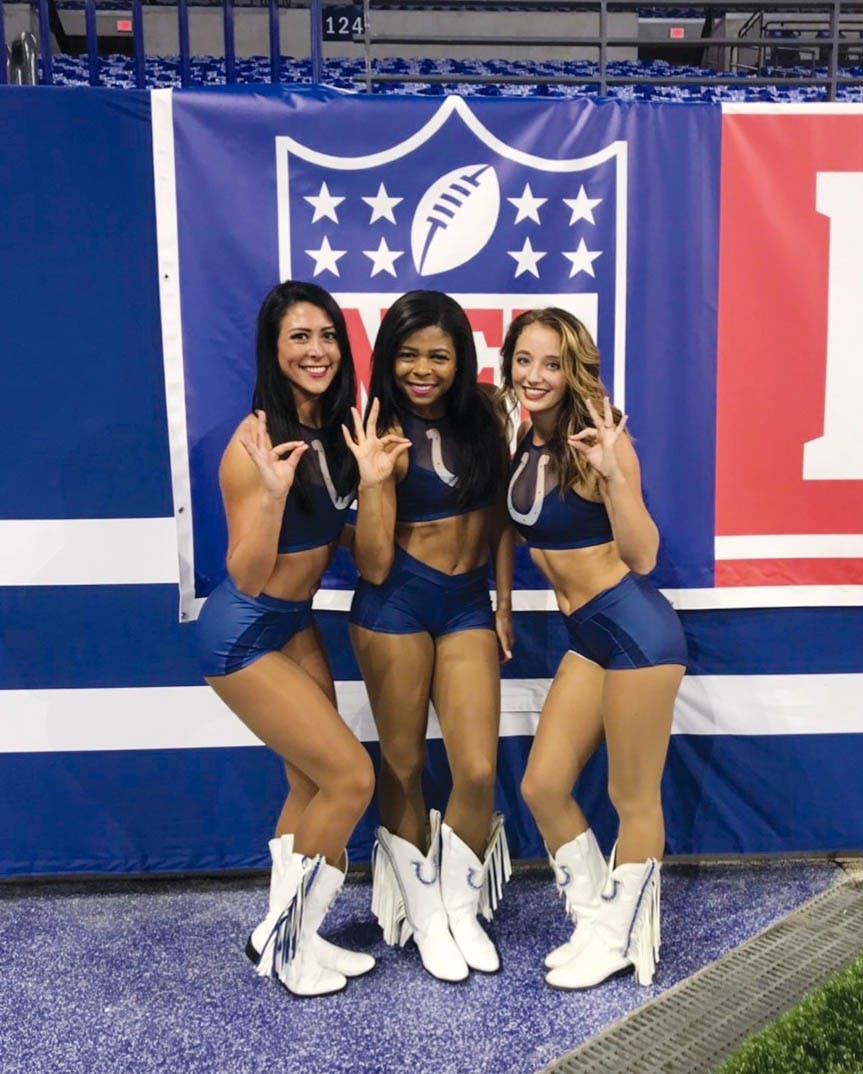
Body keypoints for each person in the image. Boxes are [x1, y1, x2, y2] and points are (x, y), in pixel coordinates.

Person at [195, 280, 377, 998]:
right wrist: (269, 496)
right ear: (274, 350)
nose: (317, 349)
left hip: (294, 625)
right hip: (242, 636)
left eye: (327, 335)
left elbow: (354, 543)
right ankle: (285, 940)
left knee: (309, 783)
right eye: (300, 337)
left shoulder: (336, 433)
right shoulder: (253, 444)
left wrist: (382, 487)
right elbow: (243, 570)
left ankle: (289, 929)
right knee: (350, 779)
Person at [499, 308, 687, 991]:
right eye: (524, 360)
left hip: (635, 632)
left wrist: (611, 475)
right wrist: (498, 602)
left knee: (630, 797)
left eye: (550, 363)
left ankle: (619, 936)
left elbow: (642, 555)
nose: (535, 376)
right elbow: (506, 530)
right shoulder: (520, 436)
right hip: (586, 638)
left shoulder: (599, 441)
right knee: (542, 784)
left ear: (572, 367)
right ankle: (592, 917)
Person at [343, 290, 514, 982]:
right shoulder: (374, 425)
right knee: (405, 765)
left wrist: (503, 602)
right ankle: (423, 914)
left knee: (476, 768)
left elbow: (501, 516)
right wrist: (377, 481)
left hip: (468, 603)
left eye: (437, 355)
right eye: (408, 354)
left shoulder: (488, 413)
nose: (422, 368)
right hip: (395, 605)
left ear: (458, 358)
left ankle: (457, 905)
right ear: (388, 357)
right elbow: (374, 563)